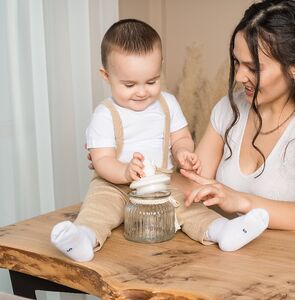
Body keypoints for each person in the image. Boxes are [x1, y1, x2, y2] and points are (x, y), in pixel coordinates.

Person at [50, 19, 269, 262]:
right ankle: (83, 238)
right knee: (98, 210)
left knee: (189, 207)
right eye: (130, 84)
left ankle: (222, 231)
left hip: (160, 183)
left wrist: (184, 153)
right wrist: (124, 171)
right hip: (114, 185)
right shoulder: (104, 114)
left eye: (151, 81)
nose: (142, 92)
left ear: (159, 68)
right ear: (106, 75)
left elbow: (181, 137)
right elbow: (101, 160)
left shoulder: (168, 104)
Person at [177, 0, 295, 231]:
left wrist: (239, 200)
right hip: (225, 259)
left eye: (253, 68)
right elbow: (192, 184)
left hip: (288, 260)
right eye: (237, 62)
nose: (239, 77)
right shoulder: (228, 108)